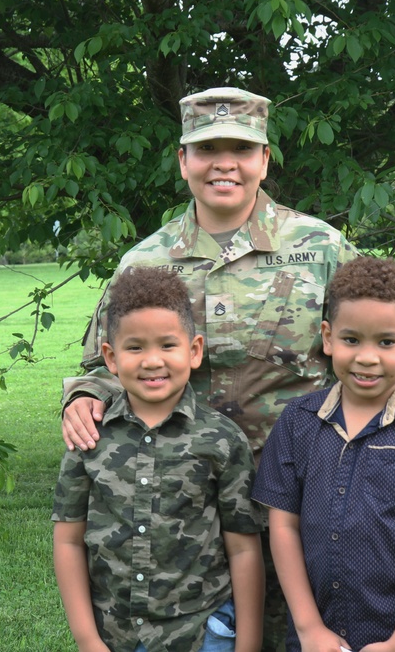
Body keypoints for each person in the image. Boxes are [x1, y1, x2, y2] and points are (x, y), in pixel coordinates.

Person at [60, 87, 395, 651]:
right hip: (194, 500)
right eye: (207, 149)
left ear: (264, 158)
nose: (224, 163)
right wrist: (84, 397)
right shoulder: (146, 260)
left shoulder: (319, 246)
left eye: (241, 147)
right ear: (184, 161)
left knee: (311, 632)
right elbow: (105, 363)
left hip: (314, 483)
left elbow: (377, 340)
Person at [251, 256, 395, 651]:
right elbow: (283, 528)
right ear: (327, 337)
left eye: (387, 342)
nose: (367, 357)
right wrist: (308, 629)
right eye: (351, 339)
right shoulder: (297, 422)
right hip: (319, 635)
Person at [53, 266, 265, 652]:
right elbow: (68, 541)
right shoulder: (89, 436)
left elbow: (244, 547)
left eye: (168, 345)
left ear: (195, 350)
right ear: (111, 358)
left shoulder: (221, 439)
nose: (152, 361)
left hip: (203, 633)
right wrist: (87, 639)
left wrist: (248, 645)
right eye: (135, 348)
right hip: (113, 636)